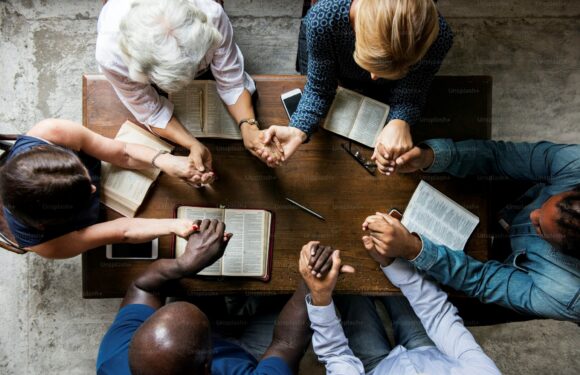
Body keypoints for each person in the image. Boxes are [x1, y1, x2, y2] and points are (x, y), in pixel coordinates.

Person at [363, 139, 580, 320]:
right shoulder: (575, 165)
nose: (533, 215)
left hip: (514, 275)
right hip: (508, 195)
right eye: (545, 204)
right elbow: (499, 156)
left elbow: (482, 281)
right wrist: (429, 157)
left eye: (540, 228)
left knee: (456, 308)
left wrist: (413, 249)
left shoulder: (567, 294)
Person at [97, 219, 311, 375]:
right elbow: (285, 344)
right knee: (296, 298)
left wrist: (185, 264)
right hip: (252, 356)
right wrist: (311, 282)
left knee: (196, 284)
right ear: (208, 365)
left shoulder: (114, 360)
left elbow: (142, 288)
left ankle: (238, 305)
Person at [263, 0, 453, 173]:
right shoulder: (323, 20)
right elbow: (320, 87)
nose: (374, 77)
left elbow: (412, 91)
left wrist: (400, 121)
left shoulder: (439, 37)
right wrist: (298, 129)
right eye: (370, 64)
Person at [96, 0, 283, 170]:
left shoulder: (212, 14)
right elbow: (152, 112)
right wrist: (192, 144)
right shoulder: (110, 56)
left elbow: (232, 80)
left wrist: (249, 126)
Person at [0, 119, 208, 259]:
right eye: (84, 194)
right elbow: (121, 232)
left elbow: (123, 152)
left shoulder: (51, 133)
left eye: (82, 172)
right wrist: (175, 225)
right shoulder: (47, 245)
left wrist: (164, 160)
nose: (92, 187)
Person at [300, 241, 501, 374]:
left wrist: (320, 296)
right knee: (389, 257)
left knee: (347, 282)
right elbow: (439, 316)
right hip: (428, 349)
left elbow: (336, 355)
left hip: (374, 367)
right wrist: (390, 262)